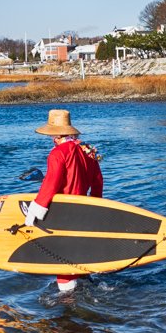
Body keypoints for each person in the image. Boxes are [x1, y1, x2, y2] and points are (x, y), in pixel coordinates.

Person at [25, 109, 103, 291]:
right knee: (78, 253)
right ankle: (87, 286)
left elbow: (51, 183)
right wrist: (97, 206)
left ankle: (69, 305)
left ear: (55, 134)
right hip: (84, 210)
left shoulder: (58, 153)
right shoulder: (88, 151)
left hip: (64, 213)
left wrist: (35, 211)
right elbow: (98, 182)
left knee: (63, 262)